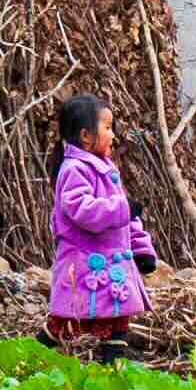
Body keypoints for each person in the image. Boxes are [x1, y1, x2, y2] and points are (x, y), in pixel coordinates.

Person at [45, 92, 156, 348]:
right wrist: (122, 209)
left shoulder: (107, 168)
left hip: (112, 267)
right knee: (65, 324)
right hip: (84, 267)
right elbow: (82, 209)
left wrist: (142, 249)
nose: (113, 135)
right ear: (86, 135)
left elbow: (126, 222)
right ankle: (28, 360)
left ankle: (114, 375)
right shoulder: (73, 169)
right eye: (107, 127)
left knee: (118, 325)